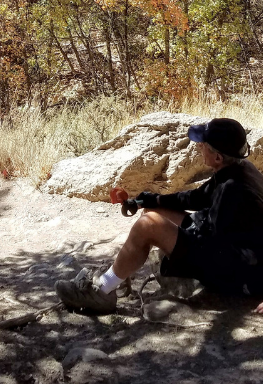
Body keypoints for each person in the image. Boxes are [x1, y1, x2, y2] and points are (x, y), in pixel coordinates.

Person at [55, 117, 263, 313]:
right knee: (153, 212)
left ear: (217, 157)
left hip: (234, 270)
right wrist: (150, 200)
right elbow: (197, 198)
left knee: (149, 225)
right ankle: (119, 273)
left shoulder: (234, 190)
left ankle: (102, 291)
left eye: (203, 145)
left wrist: (176, 256)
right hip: (220, 245)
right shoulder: (239, 168)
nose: (198, 147)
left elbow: (216, 243)